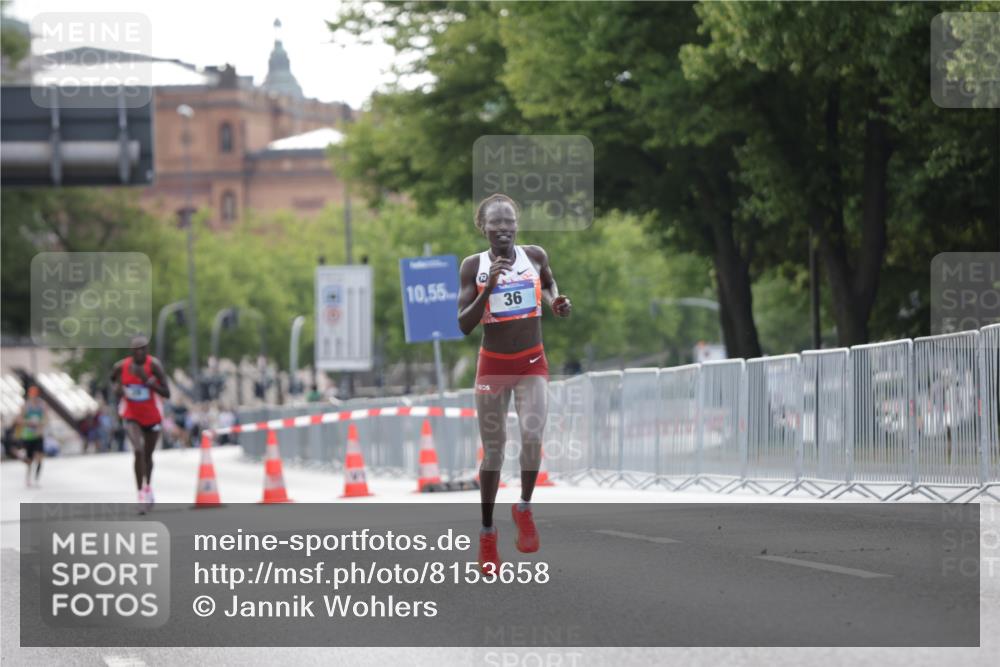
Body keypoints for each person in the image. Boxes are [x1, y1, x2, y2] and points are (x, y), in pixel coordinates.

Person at [457, 193, 572, 573]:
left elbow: (551, 284)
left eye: (509, 222)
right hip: (493, 365)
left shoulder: (535, 256)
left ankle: (523, 506)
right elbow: (463, 325)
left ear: (516, 226)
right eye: (496, 224)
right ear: (484, 228)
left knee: (533, 432)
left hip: (532, 362)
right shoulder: (472, 266)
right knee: (493, 451)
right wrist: (488, 287)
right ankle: (487, 534)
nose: (503, 229)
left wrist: (557, 301)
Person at [109, 334, 170, 512]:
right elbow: (113, 381)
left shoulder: (154, 365)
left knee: (148, 455)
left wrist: (148, 381)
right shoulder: (121, 366)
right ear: (131, 351)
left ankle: (148, 487)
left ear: (147, 350)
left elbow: (167, 393)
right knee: (138, 450)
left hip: (152, 415)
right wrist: (118, 389)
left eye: (143, 348)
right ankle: (140, 494)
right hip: (131, 415)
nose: (140, 352)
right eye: (136, 349)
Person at [16, 386, 46, 487]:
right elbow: (19, 420)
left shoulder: (42, 405)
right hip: (28, 436)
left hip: (38, 435)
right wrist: (29, 422)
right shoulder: (26, 406)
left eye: (35, 395)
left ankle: (36, 479)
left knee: (39, 457)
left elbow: (46, 419)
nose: (34, 397)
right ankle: (28, 478)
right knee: (29, 460)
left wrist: (40, 425)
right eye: (32, 395)